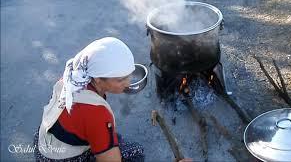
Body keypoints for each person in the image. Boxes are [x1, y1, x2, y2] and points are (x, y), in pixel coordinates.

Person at [33, 37, 192, 162]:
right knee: (135, 153)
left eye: (129, 75)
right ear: (99, 79)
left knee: (111, 138)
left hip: (47, 140)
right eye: (120, 79)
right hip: (62, 158)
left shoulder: (74, 75)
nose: (128, 83)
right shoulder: (97, 114)